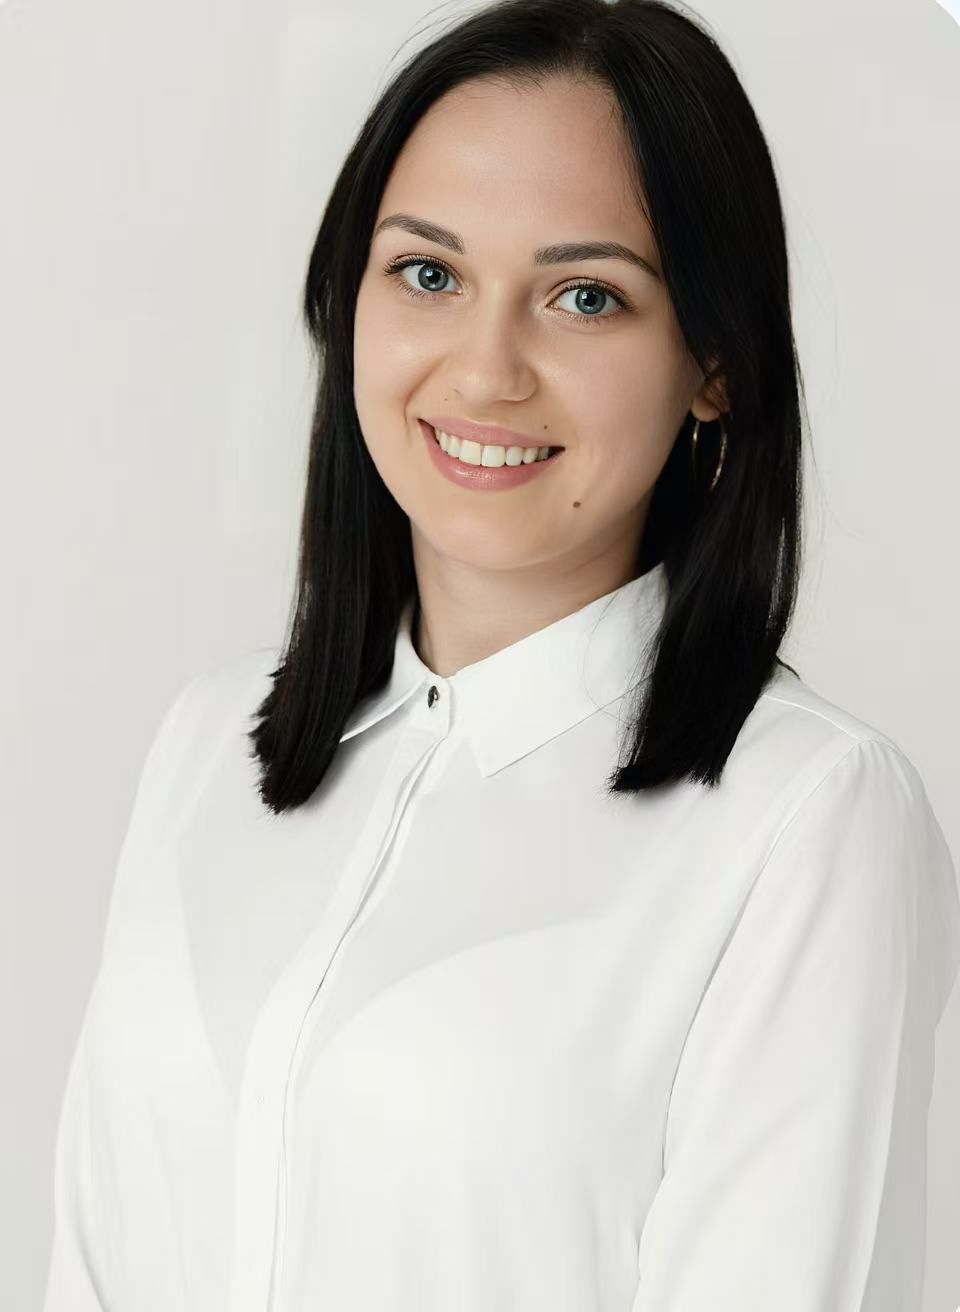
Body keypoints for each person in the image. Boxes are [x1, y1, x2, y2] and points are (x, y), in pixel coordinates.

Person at [43, 0, 960, 1308]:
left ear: (714, 362)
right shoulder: (210, 742)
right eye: (428, 274)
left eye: (585, 296)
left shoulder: (806, 820)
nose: (485, 372)